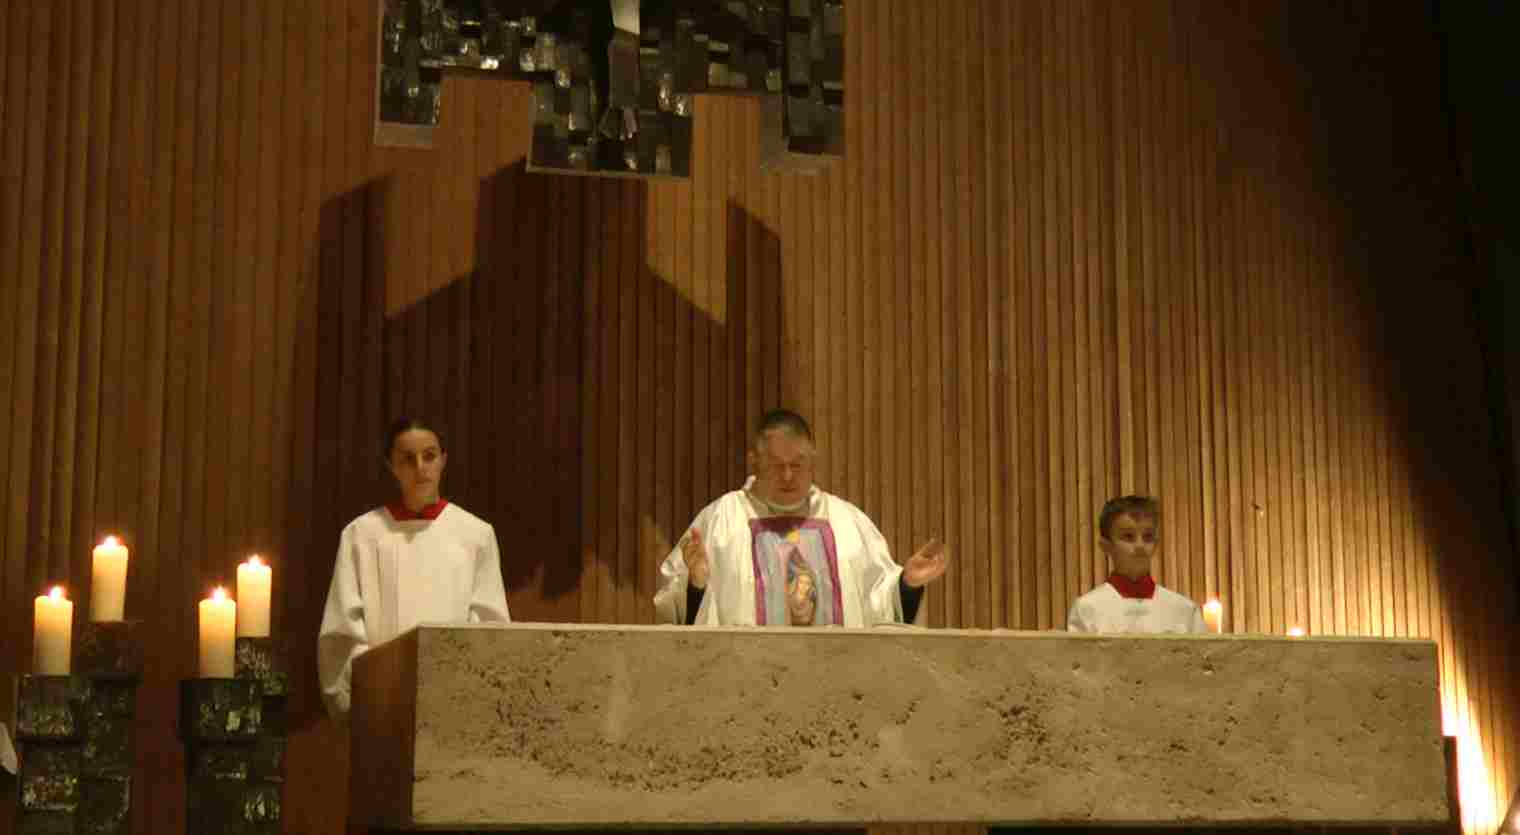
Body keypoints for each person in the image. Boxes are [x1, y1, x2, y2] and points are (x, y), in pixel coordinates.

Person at [654, 409, 949, 626]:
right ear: (754, 461)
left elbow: (882, 606)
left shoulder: (847, 523)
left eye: (797, 464)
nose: (787, 476)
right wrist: (696, 584)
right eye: (775, 465)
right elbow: (676, 613)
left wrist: (907, 585)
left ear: (813, 460)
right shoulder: (722, 520)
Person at [318, 418, 511, 717]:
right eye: (408, 459)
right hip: (383, 704)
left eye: (429, 456)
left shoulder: (475, 535)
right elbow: (343, 631)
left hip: (452, 705)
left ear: (443, 460)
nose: (420, 468)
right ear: (391, 466)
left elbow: (490, 629)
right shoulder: (361, 535)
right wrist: (378, 687)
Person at [1066, 495, 1207, 634]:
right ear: (1106, 546)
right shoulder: (1087, 609)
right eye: (1128, 536)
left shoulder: (1184, 610)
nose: (1140, 545)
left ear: (1156, 544)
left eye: (1147, 537)